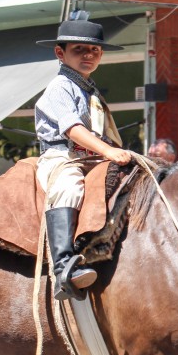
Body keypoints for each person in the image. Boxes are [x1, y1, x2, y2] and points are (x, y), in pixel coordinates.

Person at [34, 19, 131, 300]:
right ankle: (64, 267)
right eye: (79, 49)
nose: (89, 55)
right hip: (61, 155)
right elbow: (73, 129)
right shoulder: (61, 86)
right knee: (70, 186)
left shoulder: (90, 89)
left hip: (91, 158)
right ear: (60, 53)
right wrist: (108, 151)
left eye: (94, 50)